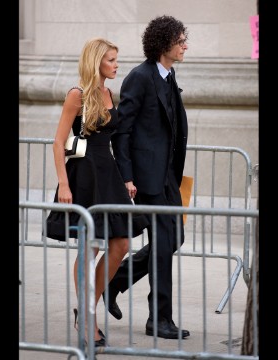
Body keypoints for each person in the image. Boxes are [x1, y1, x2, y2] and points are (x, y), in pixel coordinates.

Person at [44, 37, 149, 347]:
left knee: (122, 243)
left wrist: (126, 179)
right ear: (96, 62)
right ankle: (89, 318)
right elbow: (57, 142)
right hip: (84, 176)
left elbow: (113, 142)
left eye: (117, 60)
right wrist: (63, 184)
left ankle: (89, 305)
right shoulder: (77, 95)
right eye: (111, 60)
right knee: (88, 249)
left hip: (109, 173)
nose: (117, 65)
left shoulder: (108, 93)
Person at [107, 15, 190, 339]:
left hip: (168, 176)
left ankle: (114, 281)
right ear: (164, 44)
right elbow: (122, 132)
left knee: (174, 239)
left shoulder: (169, 75)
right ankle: (159, 318)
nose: (186, 46)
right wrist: (127, 176)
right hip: (144, 178)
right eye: (181, 40)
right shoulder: (139, 78)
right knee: (164, 243)